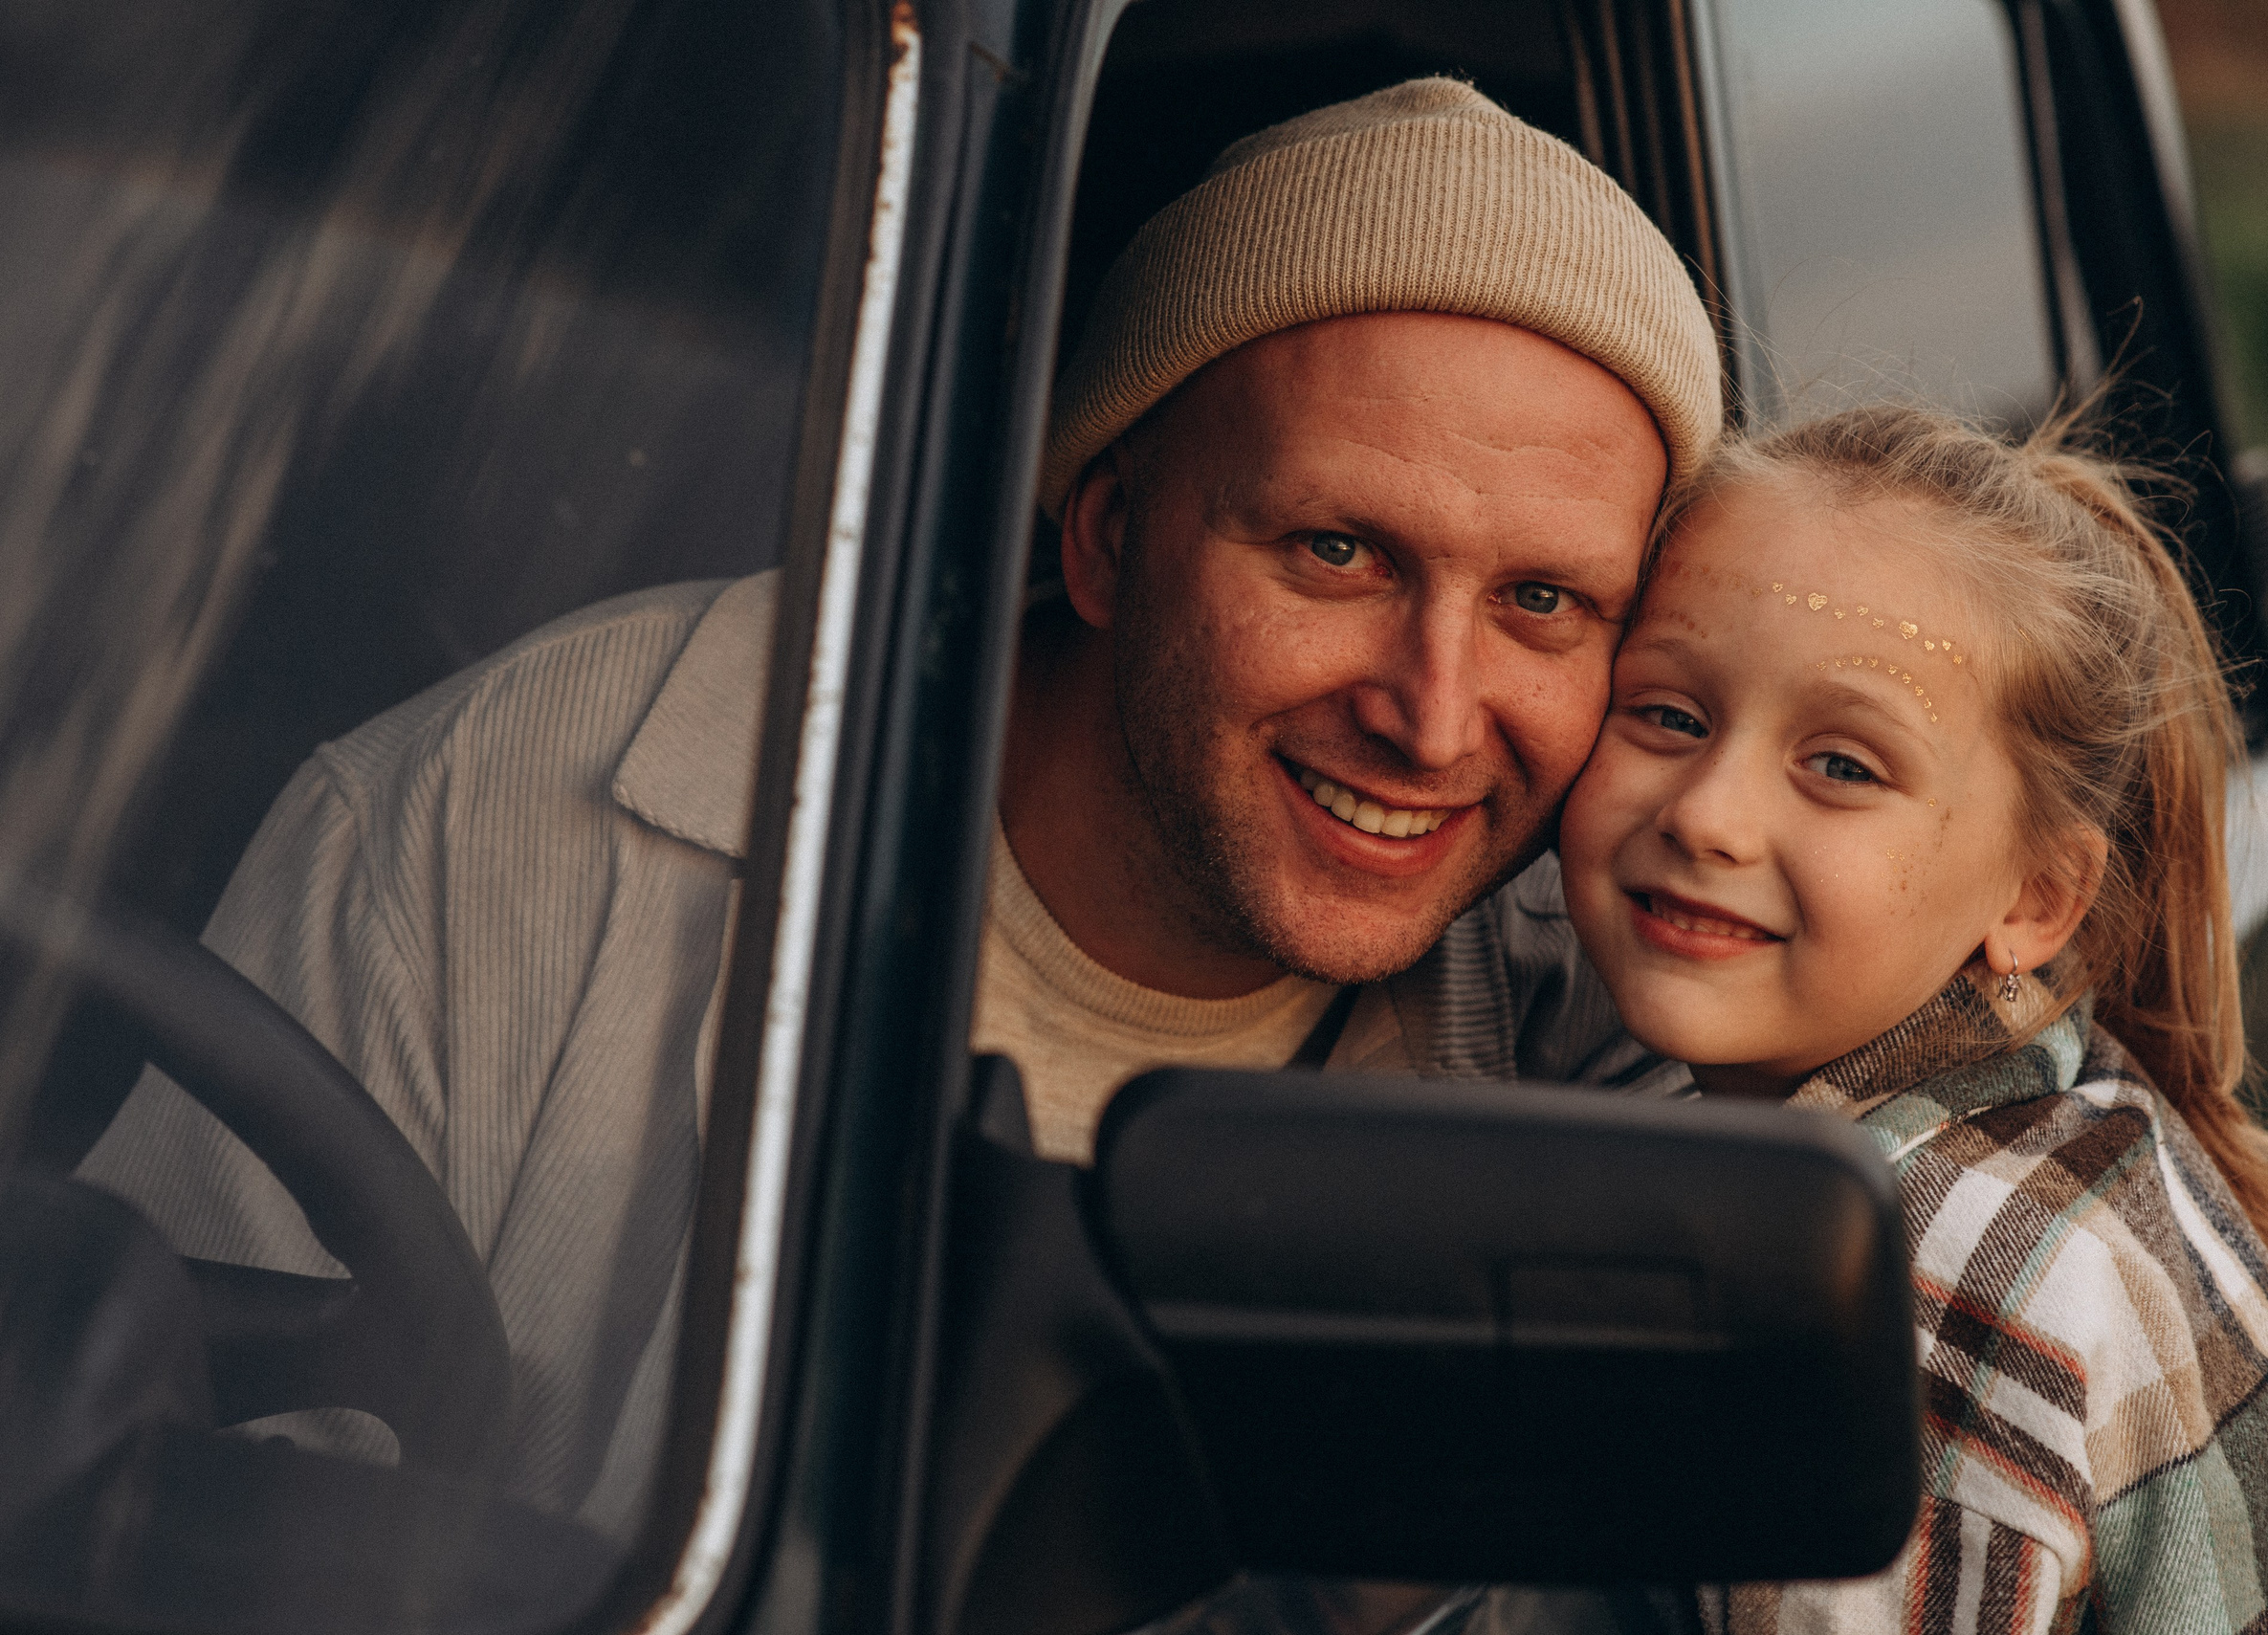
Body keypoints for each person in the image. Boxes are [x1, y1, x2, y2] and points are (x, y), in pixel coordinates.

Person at [75, 78, 1723, 1533]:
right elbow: (131, 1484)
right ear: (1104, 534)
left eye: (1544, 603)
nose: (1433, 714)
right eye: (1337, 551)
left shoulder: (1612, 1006)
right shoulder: (490, 806)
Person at [1557, 404, 2268, 1631]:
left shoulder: (1911, 1278)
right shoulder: (2076, 1123)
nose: (1707, 814)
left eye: (1842, 765)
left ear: (2037, 897)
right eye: (1668, 715)